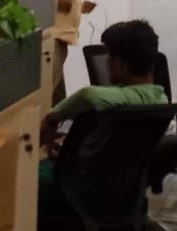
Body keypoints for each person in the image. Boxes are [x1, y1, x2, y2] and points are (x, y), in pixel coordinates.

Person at [37, 19, 168, 216]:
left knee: (25, 177)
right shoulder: (161, 99)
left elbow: (87, 95)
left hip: (83, 185)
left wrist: (51, 119)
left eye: (109, 57)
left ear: (120, 64)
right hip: (124, 188)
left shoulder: (122, 100)